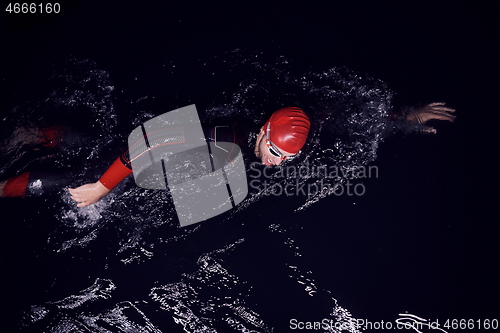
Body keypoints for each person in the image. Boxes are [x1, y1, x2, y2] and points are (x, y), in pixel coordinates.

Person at [0, 104, 455, 204]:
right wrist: (102, 187)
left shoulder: (297, 129)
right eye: (273, 150)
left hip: (175, 141)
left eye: (286, 158)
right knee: (79, 180)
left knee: (100, 141)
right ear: (261, 132)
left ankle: (36, 134)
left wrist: (407, 116)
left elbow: (352, 114)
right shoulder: (230, 140)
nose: (277, 161)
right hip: (154, 145)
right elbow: (147, 145)